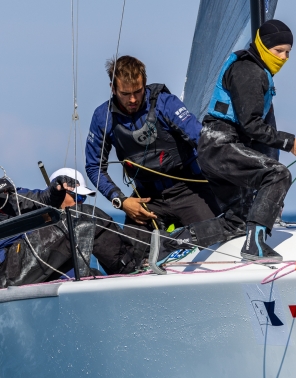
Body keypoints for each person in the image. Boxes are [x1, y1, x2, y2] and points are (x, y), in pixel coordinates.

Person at [0, 131, 139, 288]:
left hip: (24, 259)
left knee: (94, 274)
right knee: (83, 215)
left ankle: (130, 275)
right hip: (8, 268)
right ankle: (133, 272)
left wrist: (57, 189)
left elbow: (38, 199)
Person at [195, 19, 296, 261]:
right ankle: (255, 246)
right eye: (279, 51)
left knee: (237, 222)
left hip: (216, 149)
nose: (284, 57)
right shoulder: (249, 71)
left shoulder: (258, 70)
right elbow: (251, 125)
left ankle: (168, 244)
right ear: (263, 46)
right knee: (278, 174)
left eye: (288, 52)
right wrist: (290, 142)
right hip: (221, 145)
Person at [85, 55, 221, 263]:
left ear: (144, 83)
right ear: (113, 88)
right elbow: (94, 166)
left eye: (138, 91)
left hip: (188, 190)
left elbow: (201, 139)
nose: (132, 99)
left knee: (217, 251)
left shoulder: (165, 104)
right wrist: (122, 201)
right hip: (146, 199)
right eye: (125, 94)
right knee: (130, 262)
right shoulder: (103, 117)